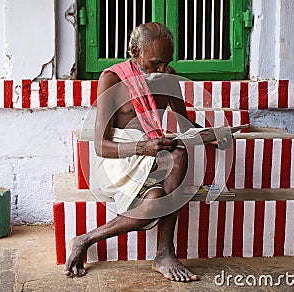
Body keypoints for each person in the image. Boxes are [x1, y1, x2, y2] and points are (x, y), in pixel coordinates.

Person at [65, 22, 216, 282]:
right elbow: (101, 146)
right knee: (170, 168)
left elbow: (184, 124)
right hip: (120, 159)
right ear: (135, 51)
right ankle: (85, 240)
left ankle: (165, 253)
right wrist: (142, 147)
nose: (161, 69)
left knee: (172, 166)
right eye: (155, 62)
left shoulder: (168, 75)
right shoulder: (111, 78)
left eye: (166, 62)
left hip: (151, 157)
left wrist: (212, 134)